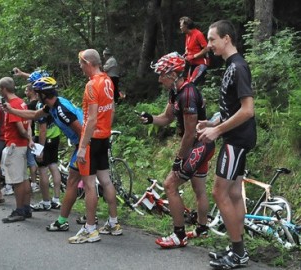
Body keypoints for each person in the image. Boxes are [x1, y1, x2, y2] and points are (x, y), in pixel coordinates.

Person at [138, 52, 215, 249]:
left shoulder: (187, 94)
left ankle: (179, 235)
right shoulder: (175, 91)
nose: (159, 78)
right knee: (199, 189)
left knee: (170, 184)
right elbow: (166, 118)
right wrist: (151, 118)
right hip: (200, 144)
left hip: (199, 144)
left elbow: (189, 133)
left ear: (173, 74)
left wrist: (179, 158)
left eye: (162, 74)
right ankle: (202, 229)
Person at [197, 20, 256, 269]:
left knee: (219, 192)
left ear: (227, 39)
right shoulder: (231, 66)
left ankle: (238, 253)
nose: (209, 45)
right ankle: (236, 248)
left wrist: (217, 131)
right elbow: (230, 108)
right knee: (232, 193)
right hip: (235, 137)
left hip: (236, 139)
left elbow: (247, 110)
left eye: (212, 39)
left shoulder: (239, 67)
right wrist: (211, 123)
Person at [2, 76, 83, 232]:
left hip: (86, 143)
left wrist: (82, 149)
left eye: (38, 92)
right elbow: (33, 115)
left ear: (44, 94)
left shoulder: (60, 109)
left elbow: (82, 131)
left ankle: (63, 221)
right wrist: (11, 110)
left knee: (74, 181)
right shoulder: (51, 106)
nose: (35, 95)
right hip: (87, 142)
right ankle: (109, 222)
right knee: (95, 180)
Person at [70, 48, 121, 244]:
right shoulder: (108, 80)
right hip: (104, 137)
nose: (80, 67)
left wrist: (82, 147)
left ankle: (90, 229)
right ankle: (113, 223)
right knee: (106, 181)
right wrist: (105, 129)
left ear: (88, 63)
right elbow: (112, 109)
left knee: (90, 185)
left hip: (91, 140)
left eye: (81, 63)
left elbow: (91, 119)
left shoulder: (92, 85)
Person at [0, 77, 34, 223]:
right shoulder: (22, 102)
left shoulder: (12, 105)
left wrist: (27, 138)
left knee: (17, 180)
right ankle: (26, 207)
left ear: (3, 89)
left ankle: (19, 210)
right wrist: (29, 139)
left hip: (15, 145)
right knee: (24, 178)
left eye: (0, 89)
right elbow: (29, 124)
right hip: (23, 145)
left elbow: (20, 128)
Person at [30, 99, 62, 211]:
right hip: (55, 137)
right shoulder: (54, 102)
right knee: (53, 166)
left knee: (42, 169)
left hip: (44, 139)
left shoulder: (41, 105)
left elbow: (42, 129)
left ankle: (46, 202)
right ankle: (56, 199)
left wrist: (40, 149)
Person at [179, 16, 210, 85]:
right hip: (191, 64)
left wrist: (193, 56)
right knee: (186, 83)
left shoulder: (198, 34)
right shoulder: (187, 35)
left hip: (201, 64)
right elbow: (188, 49)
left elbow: (207, 49)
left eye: (181, 26)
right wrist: (183, 56)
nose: (180, 27)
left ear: (186, 25)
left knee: (191, 85)